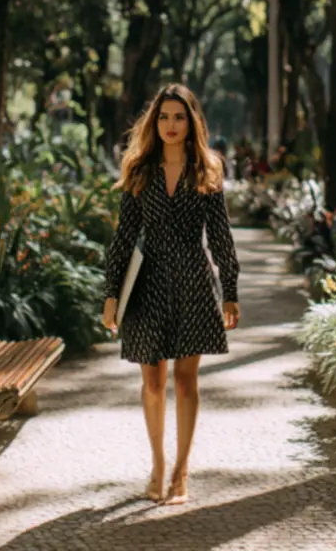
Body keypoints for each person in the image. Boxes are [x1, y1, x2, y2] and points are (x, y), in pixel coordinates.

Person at [101, 84, 241, 506]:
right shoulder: (140, 171)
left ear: (192, 121)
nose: (171, 125)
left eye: (179, 117)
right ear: (154, 122)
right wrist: (111, 294)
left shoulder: (207, 171)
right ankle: (158, 464)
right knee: (152, 379)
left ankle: (181, 471)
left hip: (195, 285)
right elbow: (124, 237)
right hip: (147, 285)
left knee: (184, 379)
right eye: (163, 117)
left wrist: (230, 290)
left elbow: (220, 237)